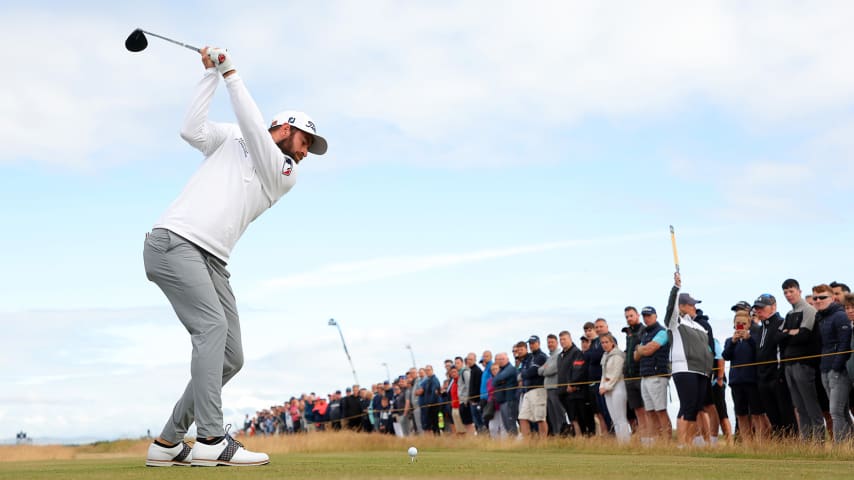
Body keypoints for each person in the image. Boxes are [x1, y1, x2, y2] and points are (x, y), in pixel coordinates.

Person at [144, 47, 327, 468]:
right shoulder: (236, 138)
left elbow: (254, 130)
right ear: (283, 129)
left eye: (309, 148)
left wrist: (231, 73)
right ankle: (209, 438)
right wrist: (212, 75)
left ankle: (169, 442)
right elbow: (192, 131)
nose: (304, 153)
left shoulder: (283, 172)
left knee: (231, 355)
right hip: (175, 243)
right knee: (211, 328)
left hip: (211, 260)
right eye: (303, 142)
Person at [664, 272, 713, 447]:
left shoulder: (700, 326)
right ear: (683, 306)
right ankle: (682, 443)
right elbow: (671, 309)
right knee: (688, 405)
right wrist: (676, 288)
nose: (694, 308)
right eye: (691, 305)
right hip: (684, 368)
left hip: (701, 370)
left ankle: (689, 443)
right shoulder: (675, 323)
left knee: (696, 407)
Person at [780, 280, 824, 441]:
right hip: (789, 364)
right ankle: (806, 443)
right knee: (800, 407)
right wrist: (791, 333)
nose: (788, 295)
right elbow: (779, 338)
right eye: (785, 292)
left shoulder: (809, 310)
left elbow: (805, 335)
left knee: (811, 406)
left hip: (804, 364)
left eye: (791, 291)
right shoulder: (789, 314)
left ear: (799, 291)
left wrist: (788, 333)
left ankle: (819, 443)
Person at [723, 310, 770, 440]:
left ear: (749, 324)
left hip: (752, 381)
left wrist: (749, 339)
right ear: (734, 324)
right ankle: (747, 443)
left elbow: (759, 354)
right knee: (741, 414)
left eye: (743, 323)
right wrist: (733, 342)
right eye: (738, 323)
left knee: (757, 413)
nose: (741, 326)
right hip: (736, 382)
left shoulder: (754, 339)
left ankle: (762, 442)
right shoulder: (729, 341)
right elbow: (726, 356)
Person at [814, 284, 853, 442]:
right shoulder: (821, 317)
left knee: (836, 412)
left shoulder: (839, 316)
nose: (818, 300)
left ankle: (840, 447)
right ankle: (848, 446)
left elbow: (844, 344)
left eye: (822, 297)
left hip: (838, 371)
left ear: (832, 298)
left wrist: (836, 367)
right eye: (815, 297)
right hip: (825, 368)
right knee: (841, 412)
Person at [634, 306, 672, 442]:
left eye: (649, 315)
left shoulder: (662, 331)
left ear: (655, 316)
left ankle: (667, 442)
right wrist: (641, 349)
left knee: (660, 410)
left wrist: (640, 348)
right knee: (649, 411)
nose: (646, 318)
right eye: (644, 316)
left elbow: (649, 350)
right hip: (645, 375)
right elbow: (635, 356)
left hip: (657, 376)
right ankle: (655, 442)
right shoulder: (644, 334)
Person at [623, 307, 648, 443]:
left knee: (645, 410)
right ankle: (644, 439)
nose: (629, 318)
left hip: (640, 375)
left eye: (631, 316)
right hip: (629, 376)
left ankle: (651, 438)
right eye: (627, 316)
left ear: (637, 315)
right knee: (637, 409)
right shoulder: (629, 333)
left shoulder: (643, 330)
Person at [599, 333, 631, 442]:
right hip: (607, 388)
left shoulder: (618, 355)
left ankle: (625, 442)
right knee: (614, 418)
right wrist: (601, 386)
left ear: (612, 343)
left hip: (618, 387)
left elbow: (616, 374)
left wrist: (607, 386)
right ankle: (620, 441)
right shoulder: (605, 356)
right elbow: (604, 373)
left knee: (621, 417)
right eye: (602, 342)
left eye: (606, 342)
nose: (604, 344)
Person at [518, 335, 549, 436]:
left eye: (533, 343)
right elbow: (523, 371)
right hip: (528, 391)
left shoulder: (541, 356)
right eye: (530, 343)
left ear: (538, 343)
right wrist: (524, 374)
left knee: (540, 418)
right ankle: (528, 444)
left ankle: (542, 443)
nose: (531, 345)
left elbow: (531, 372)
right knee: (523, 417)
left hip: (538, 390)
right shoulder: (530, 357)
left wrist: (523, 375)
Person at [539, 334, 568, 436]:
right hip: (548, 389)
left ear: (557, 343)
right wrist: (544, 369)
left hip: (555, 388)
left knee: (559, 413)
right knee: (552, 415)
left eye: (552, 342)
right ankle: (557, 435)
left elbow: (552, 369)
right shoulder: (550, 357)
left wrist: (545, 369)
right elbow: (539, 370)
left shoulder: (559, 355)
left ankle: (563, 435)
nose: (550, 344)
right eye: (548, 342)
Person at [492, 352, 519, 435]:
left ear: (507, 359)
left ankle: (514, 441)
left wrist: (500, 381)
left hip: (510, 399)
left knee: (510, 422)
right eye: (499, 359)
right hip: (503, 400)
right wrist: (500, 381)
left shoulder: (510, 368)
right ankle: (511, 442)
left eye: (503, 359)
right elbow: (494, 381)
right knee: (506, 424)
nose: (501, 361)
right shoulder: (501, 369)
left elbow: (498, 378)